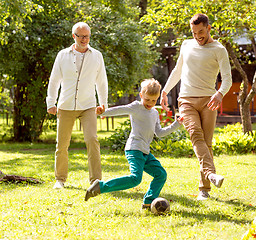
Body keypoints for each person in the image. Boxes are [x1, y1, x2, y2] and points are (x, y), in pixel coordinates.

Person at [160, 13, 232, 200]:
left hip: (209, 100)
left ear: (209, 28)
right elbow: (178, 70)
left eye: (201, 32)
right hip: (186, 100)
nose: (198, 36)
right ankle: (210, 174)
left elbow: (228, 79)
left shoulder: (219, 50)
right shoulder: (186, 45)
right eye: (194, 33)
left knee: (206, 144)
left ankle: (204, 189)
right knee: (196, 136)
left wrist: (219, 94)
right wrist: (165, 91)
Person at [85, 79, 183, 209]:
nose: (150, 103)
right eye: (147, 99)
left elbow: (159, 133)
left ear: (158, 98)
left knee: (161, 174)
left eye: (153, 101)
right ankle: (100, 186)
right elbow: (121, 109)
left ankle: (148, 202)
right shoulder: (136, 107)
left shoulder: (154, 113)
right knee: (135, 178)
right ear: (141, 95)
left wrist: (176, 124)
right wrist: (103, 112)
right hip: (134, 149)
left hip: (145, 152)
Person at [46, 22, 108, 189]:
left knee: (92, 140)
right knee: (62, 144)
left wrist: (103, 103)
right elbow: (54, 80)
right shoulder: (62, 55)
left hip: (88, 105)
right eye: (80, 36)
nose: (84, 39)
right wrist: (51, 102)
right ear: (74, 36)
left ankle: (96, 180)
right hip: (65, 105)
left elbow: (101, 81)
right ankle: (60, 179)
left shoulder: (97, 56)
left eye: (87, 36)